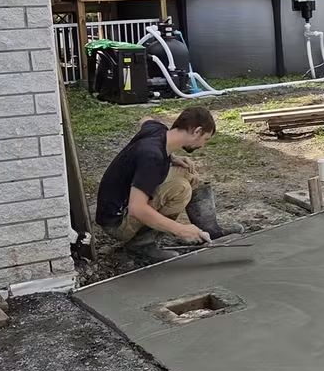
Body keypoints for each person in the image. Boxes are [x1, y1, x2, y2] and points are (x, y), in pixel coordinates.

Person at [95, 106, 240, 264]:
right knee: (180, 189)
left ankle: (210, 231)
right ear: (197, 131)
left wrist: (172, 157)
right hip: (117, 223)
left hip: (119, 204)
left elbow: (145, 119)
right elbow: (137, 208)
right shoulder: (152, 158)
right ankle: (142, 245)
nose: (203, 145)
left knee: (187, 172)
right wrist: (181, 230)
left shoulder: (157, 130)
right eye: (205, 139)